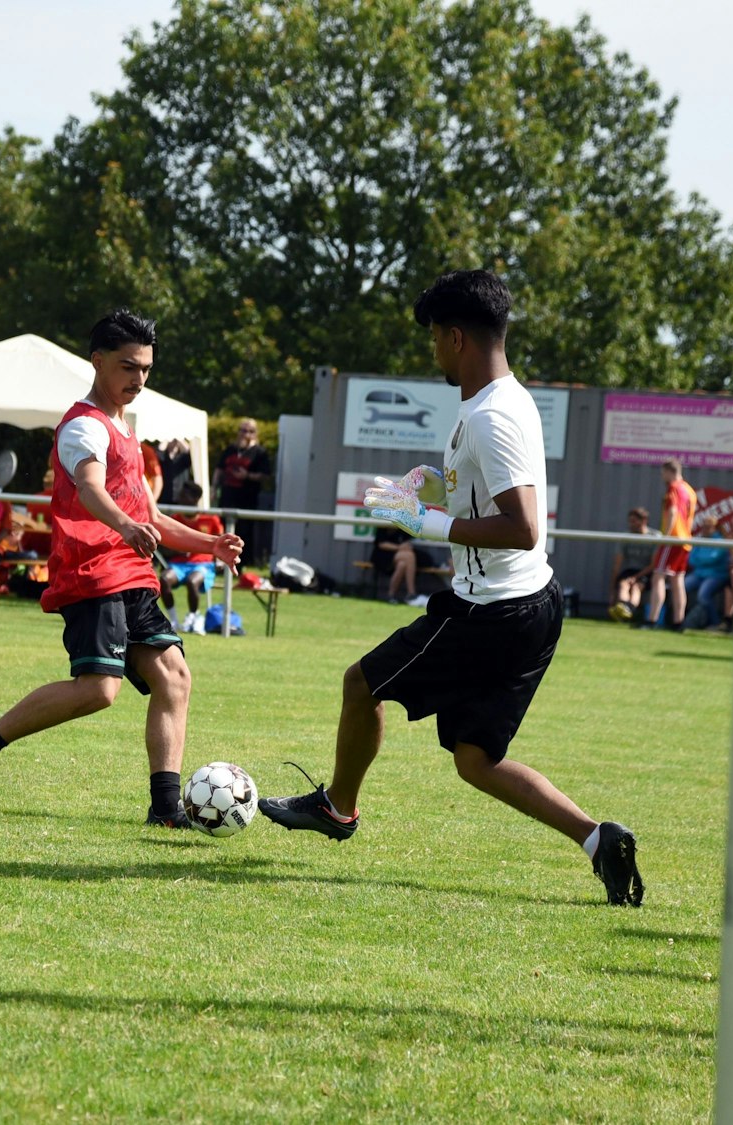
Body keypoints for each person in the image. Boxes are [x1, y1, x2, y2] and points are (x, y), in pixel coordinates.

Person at [257, 269, 643, 908]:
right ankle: (598, 840)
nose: (433, 350)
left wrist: (428, 521)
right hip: (531, 607)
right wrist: (435, 485)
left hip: (489, 609)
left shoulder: (491, 416)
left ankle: (338, 808)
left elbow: (522, 526)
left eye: (435, 338)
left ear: (456, 337)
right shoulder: (501, 401)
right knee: (475, 760)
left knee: (361, 684)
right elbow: (490, 492)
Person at [0, 310, 243, 825]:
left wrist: (208, 543)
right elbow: (91, 488)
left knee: (175, 678)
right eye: (128, 367)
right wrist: (126, 527)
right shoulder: (84, 426)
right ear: (97, 361)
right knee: (98, 690)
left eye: (146, 369)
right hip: (93, 574)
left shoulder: (127, 428)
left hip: (132, 576)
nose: (139, 379)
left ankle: (166, 810)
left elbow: (149, 514)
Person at [159, 480, 223, 633]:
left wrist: (219, 561)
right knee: (164, 579)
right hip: (179, 564)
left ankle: (193, 617)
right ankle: (173, 620)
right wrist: (175, 551)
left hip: (203, 565)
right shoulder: (174, 518)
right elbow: (163, 547)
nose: (179, 500)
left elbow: (220, 542)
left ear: (194, 500)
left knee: (192, 580)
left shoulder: (211, 519)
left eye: (183, 496)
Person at [642, 459, 698, 632]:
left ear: (669, 471)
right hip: (686, 541)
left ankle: (651, 620)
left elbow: (673, 511)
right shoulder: (689, 490)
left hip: (674, 539)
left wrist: (665, 536)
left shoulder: (674, 487)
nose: (662, 476)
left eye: (663, 473)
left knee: (658, 577)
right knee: (677, 580)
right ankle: (678, 622)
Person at [216, 418, 273, 560]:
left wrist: (247, 475)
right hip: (227, 496)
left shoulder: (259, 453)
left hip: (247, 499)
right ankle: (221, 560)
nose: (245, 434)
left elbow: (265, 476)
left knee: (244, 531)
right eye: (243, 430)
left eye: (250, 431)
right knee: (223, 529)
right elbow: (219, 469)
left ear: (255, 434)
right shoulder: (230, 449)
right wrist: (213, 488)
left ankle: (241, 562)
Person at [683, 515, 733, 631]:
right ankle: (679, 620)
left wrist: (701, 560)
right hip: (698, 574)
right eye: (703, 527)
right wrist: (704, 560)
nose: (705, 529)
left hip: (716, 575)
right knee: (681, 587)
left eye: (708, 527)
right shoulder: (700, 539)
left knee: (703, 595)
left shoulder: (722, 541)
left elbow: (713, 558)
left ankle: (715, 623)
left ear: (715, 528)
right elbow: (691, 559)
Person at [608, 507, 655, 621]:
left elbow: (654, 564)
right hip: (630, 570)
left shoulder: (655, 536)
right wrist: (612, 591)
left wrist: (636, 577)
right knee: (624, 584)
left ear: (644, 520)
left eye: (634, 521)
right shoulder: (626, 536)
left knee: (636, 587)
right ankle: (623, 608)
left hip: (646, 572)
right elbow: (617, 564)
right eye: (630, 521)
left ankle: (628, 609)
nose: (631, 524)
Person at [371, 525, 434, 607]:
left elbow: (407, 543)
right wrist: (399, 547)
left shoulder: (403, 526)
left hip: (401, 554)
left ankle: (390, 595)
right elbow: (381, 544)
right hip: (382, 555)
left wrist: (404, 547)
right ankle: (411, 593)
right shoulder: (383, 525)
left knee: (402, 565)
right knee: (410, 556)